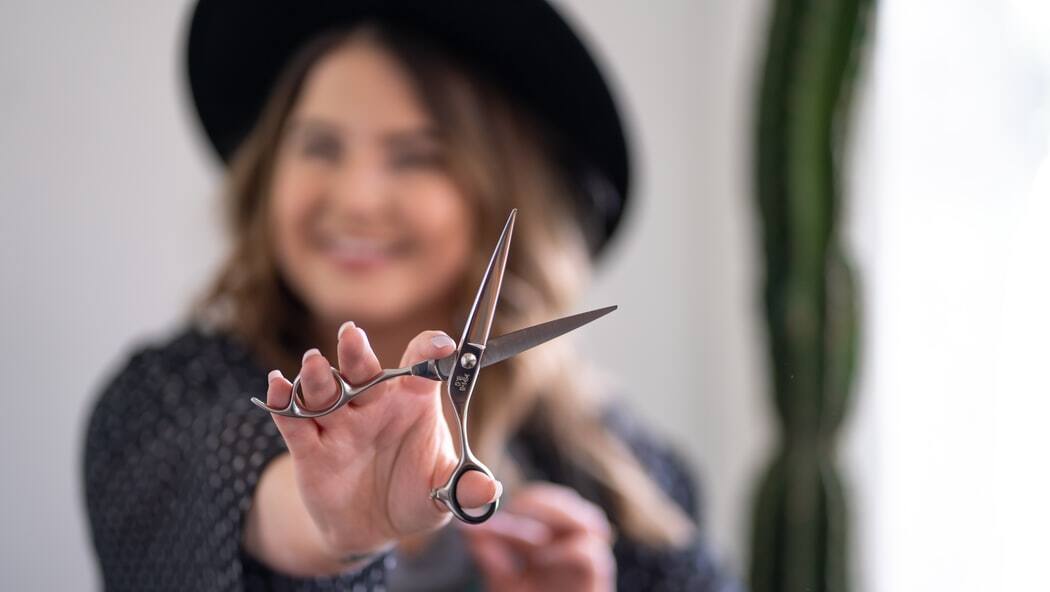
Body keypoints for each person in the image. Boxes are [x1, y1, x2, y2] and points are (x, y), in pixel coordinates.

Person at [82, 1, 738, 590]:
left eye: (417, 156)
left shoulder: (616, 465)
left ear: (500, 196)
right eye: (320, 146)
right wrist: (333, 524)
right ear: (267, 175)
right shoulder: (166, 401)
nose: (359, 198)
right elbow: (219, 490)